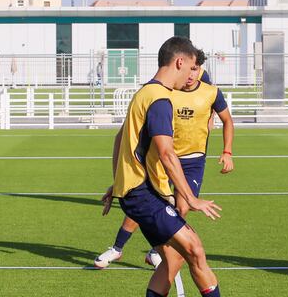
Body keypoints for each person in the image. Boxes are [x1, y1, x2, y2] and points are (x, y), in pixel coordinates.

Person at [101, 36, 235, 297]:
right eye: (191, 67)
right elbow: (166, 152)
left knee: (173, 259)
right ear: (178, 62)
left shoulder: (144, 93)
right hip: (144, 193)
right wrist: (190, 198)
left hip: (138, 191)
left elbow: (120, 140)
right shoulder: (160, 98)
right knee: (195, 248)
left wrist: (116, 183)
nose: (193, 75)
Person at [95, 50, 235, 269]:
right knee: (146, 204)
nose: (190, 74)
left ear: (200, 71)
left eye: (195, 70)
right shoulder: (165, 93)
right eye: (189, 68)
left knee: (179, 208)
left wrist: (227, 151)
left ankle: (156, 250)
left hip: (193, 161)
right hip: (162, 158)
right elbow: (126, 138)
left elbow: (227, 119)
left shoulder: (210, 92)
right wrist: (120, 181)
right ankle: (118, 248)